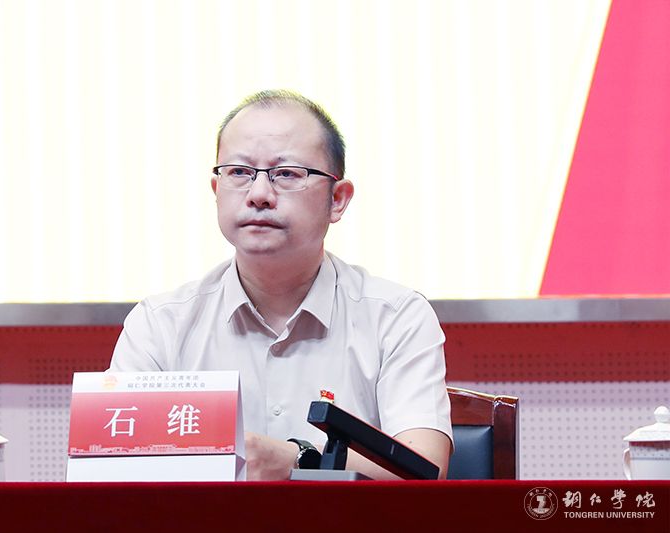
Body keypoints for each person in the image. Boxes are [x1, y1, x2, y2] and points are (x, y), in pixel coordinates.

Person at [109, 90, 453, 480]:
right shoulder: (159, 324)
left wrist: (296, 461)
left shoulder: (395, 317)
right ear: (216, 191)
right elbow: (115, 468)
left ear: (337, 199)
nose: (258, 195)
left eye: (287, 174)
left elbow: (425, 472)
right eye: (239, 172)